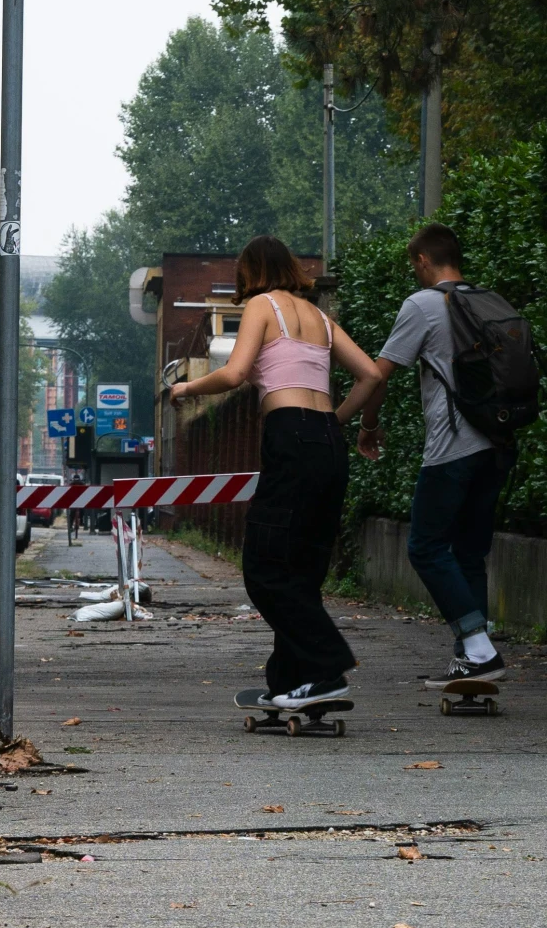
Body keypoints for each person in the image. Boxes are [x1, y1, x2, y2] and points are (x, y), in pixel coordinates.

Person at [170, 235, 382, 707]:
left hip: (290, 434)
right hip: (328, 440)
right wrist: (342, 424)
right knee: (301, 569)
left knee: (265, 567)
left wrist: (186, 390)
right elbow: (372, 374)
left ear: (250, 273)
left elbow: (234, 373)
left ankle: (327, 669)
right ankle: (289, 680)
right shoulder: (322, 319)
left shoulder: (263, 306)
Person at [336, 223, 510, 682]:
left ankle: (478, 648)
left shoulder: (423, 304)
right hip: (497, 443)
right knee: (470, 554)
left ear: (422, 261)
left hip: (453, 447)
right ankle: (471, 658)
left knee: (426, 546)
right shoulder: (487, 301)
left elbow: (378, 374)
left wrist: (364, 425)